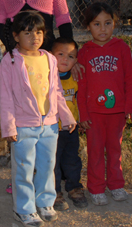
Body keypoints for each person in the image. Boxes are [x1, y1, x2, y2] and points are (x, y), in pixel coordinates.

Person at [0, 11, 77, 227]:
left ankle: (45, 202)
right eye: (28, 32)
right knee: (23, 168)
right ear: (16, 36)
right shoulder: (11, 60)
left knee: (47, 165)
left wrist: (66, 116)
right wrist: (9, 126)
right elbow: (5, 96)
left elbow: (57, 92)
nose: (35, 37)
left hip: (50, 124)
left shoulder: (50, 59)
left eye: (39, 32)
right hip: (24, 126)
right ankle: (23, 209)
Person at [77, 2, 132, 206]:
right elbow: (82, 86)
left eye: (107, 23)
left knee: (115, 150)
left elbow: (131, 79)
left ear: (115, 24)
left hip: (116, 112)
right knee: (95, 151)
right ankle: (96, 188)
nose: (102, 29)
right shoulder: (85, 52)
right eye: (96, 24)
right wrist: (83, 114)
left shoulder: (121, 47)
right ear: (88, 26)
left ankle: (116, 185)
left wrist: (131, 107)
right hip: (94, 113)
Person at [50, 37, 88, 211]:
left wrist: (80, 119)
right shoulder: (47, 78)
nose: (65, 59)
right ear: (50, 56)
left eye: (71, 56)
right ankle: (54, 191)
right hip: (52, 129)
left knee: (72, 160)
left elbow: (79, 101)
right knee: (53, 162)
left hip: (71, 130)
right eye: (60, 54)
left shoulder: (76, 77)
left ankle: (74, 187)